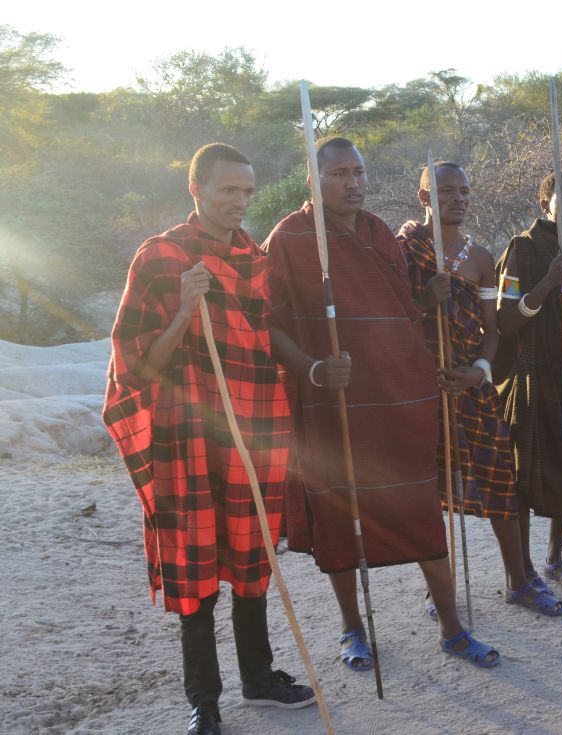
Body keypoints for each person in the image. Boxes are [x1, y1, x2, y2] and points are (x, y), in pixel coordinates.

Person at [262, 137, 500, 672]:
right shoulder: (292, 237)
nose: (354, 183)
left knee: (420, 513)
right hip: (332, 402)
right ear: (314, 180)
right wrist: (315, 368)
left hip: (398, 398)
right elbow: (271, 323)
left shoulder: (377, 235)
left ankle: (452, 627)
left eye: (359, 172)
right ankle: (353, 628)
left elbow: (397, 316)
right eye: (340, 174)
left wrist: (425, 301)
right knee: (340, 516)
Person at [103, 143, 315, 735]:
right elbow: (138, 367)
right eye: (228, 191)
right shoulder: (162, 257)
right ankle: (205, 701)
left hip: (251, 425)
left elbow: (266, 334)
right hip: (186, 436)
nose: (239, 203)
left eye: (247, 192)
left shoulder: (254, 257)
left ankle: (260, 679)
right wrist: (185, 309)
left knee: (253, 555)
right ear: (196, 190)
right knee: (195, 566)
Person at [398, 161, 562, 617]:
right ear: (424, 198)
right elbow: (389, 325)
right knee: (429, 491)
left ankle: (518, 581)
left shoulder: (482, 259)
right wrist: (422, 301)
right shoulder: (401, 251)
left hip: (473, 386)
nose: (458, 198)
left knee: (499, 480)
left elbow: (493, 330)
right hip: (420, 390)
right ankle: (440, 588)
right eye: (446, 190)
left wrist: (481, 369)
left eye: (464, 191)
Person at [494, 171, 562, 594]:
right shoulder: (520, 250)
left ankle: (556, 559)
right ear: (545, 205)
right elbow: (504, 323)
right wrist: (545, 283)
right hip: (528, 379)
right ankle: (522, 572)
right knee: (524, 475)